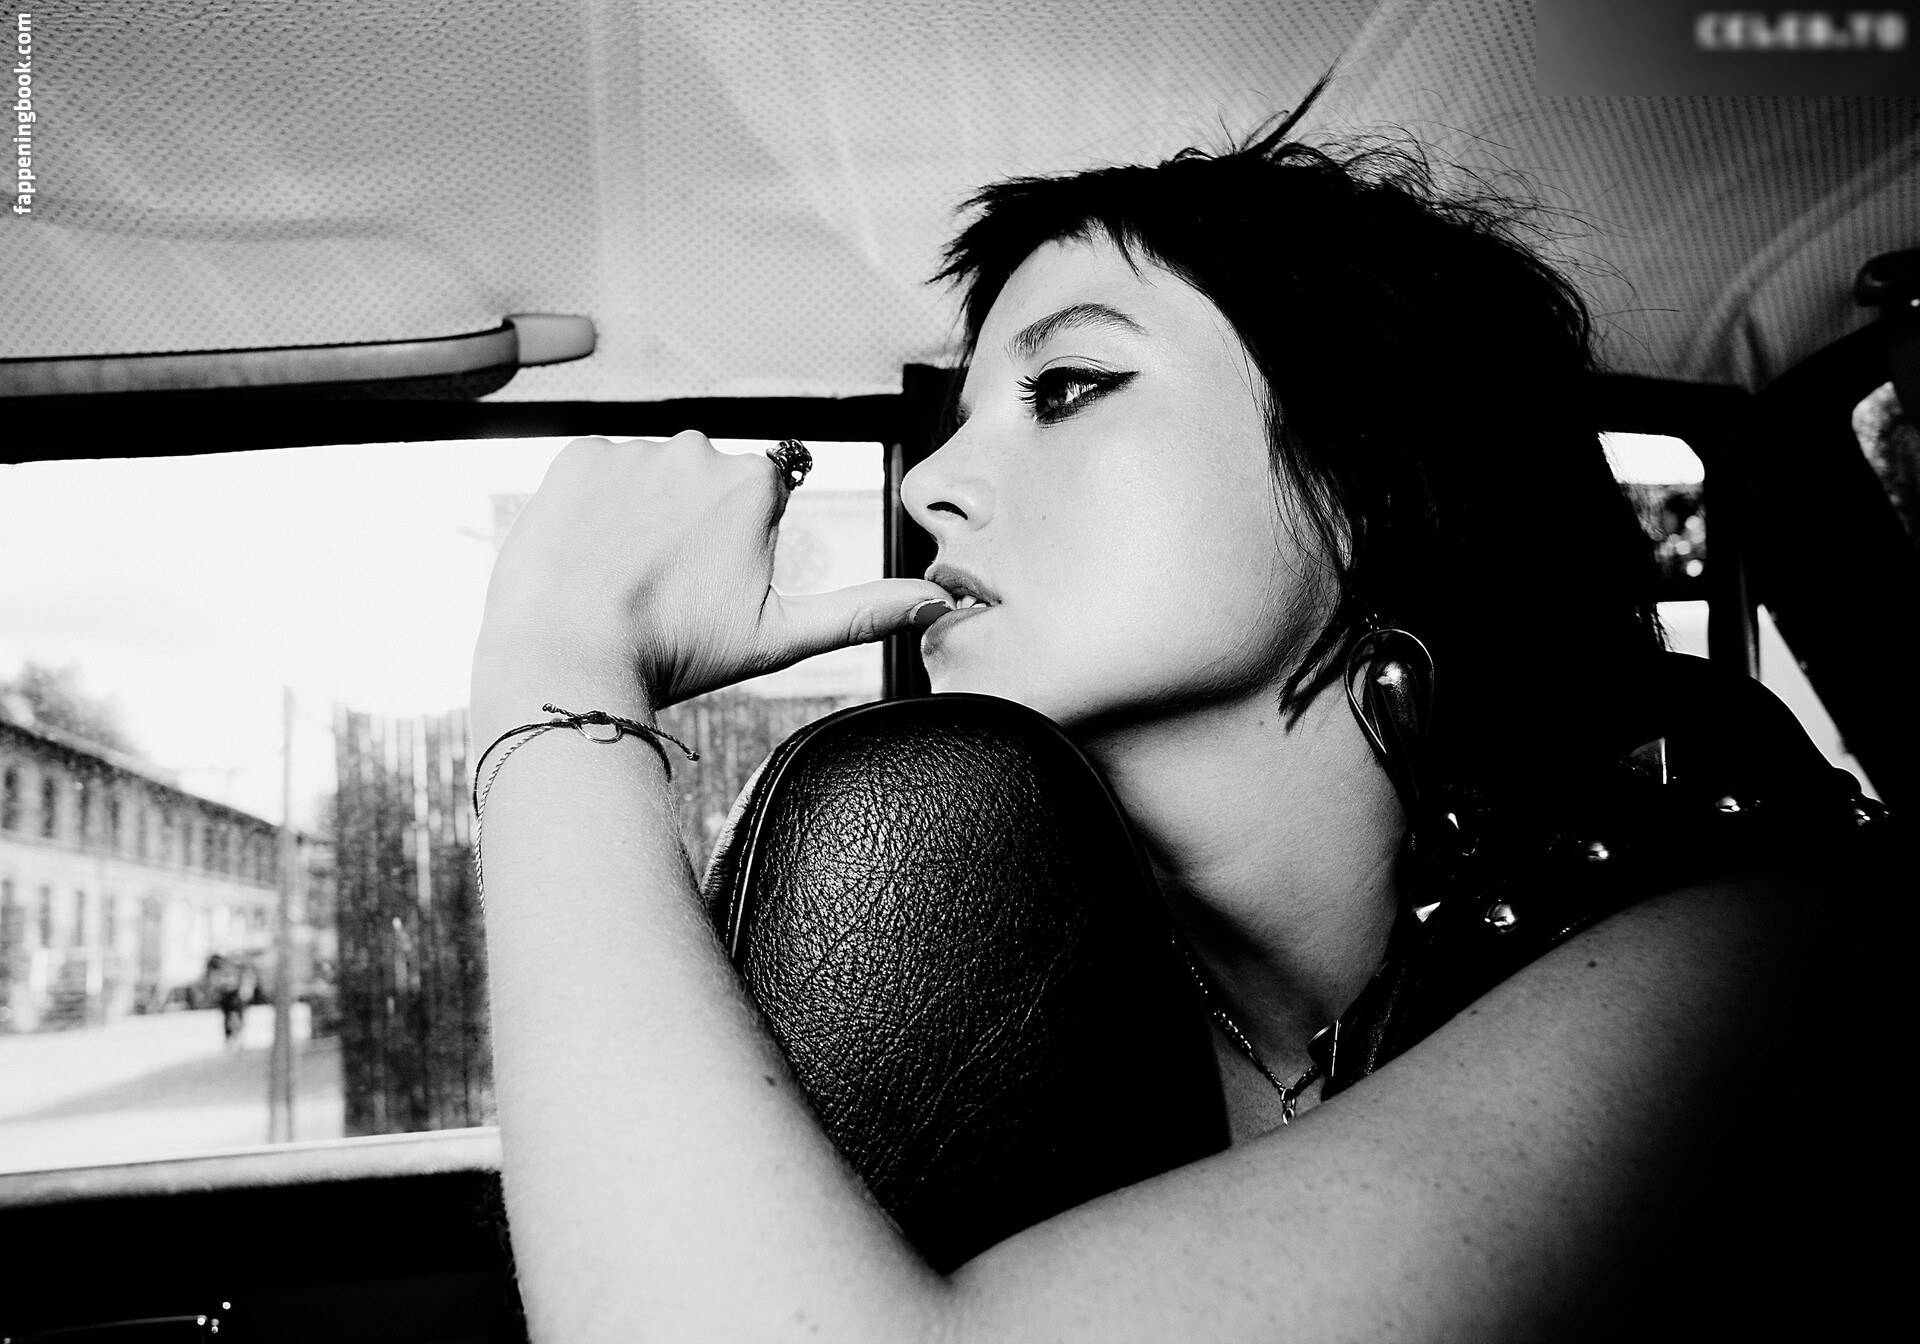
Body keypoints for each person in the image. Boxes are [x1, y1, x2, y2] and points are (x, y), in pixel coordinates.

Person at [468, 97, 1892, 1342]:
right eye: (961, 417)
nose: (929, 483)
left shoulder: (1766, 958)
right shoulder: (1032, 998)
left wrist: (557, 681)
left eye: (1067, 386)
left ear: (1367, 480)